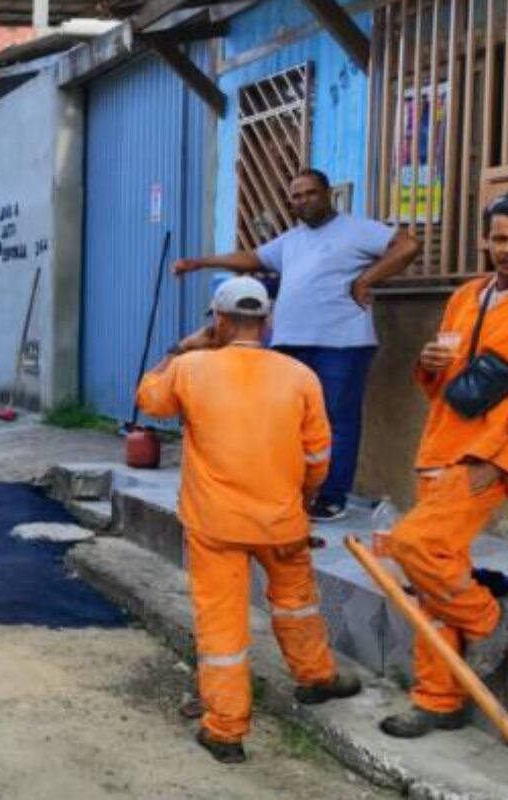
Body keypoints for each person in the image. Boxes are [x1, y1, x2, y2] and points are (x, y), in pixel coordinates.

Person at [379, 191, 508, 738]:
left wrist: (501, 463)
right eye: (500, 238)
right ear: (485, 239)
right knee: (434, 578)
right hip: (437, 449)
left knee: (411, 546)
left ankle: (488, 619)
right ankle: (438, 699)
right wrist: (426, 365)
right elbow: (443, 385)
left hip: (482, 460)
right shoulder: (469, 294)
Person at [136, 276, 362, 764]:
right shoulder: (300, 375)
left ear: (217, 320)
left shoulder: (192, 368)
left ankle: (225, 730)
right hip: (282, 520)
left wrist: (181, 347)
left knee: (222, 625)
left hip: (216, 524)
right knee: (296, 602)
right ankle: (317, 678)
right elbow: (319, 454)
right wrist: (304, 498)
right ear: (267, 321)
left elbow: (149, 399)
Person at [174, 169, 421, 522]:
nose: (303, 200)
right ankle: (293, 489)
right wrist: (200, 262)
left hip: (341, 344)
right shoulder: (292, 240)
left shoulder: (358, 229)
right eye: (296, 196)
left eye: (310, 193)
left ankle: (332, 498)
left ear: (327, 194)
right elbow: (254, 259)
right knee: (286, 420)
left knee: (337, 421)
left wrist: (366, 279)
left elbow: (408, 245)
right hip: (291, 343)